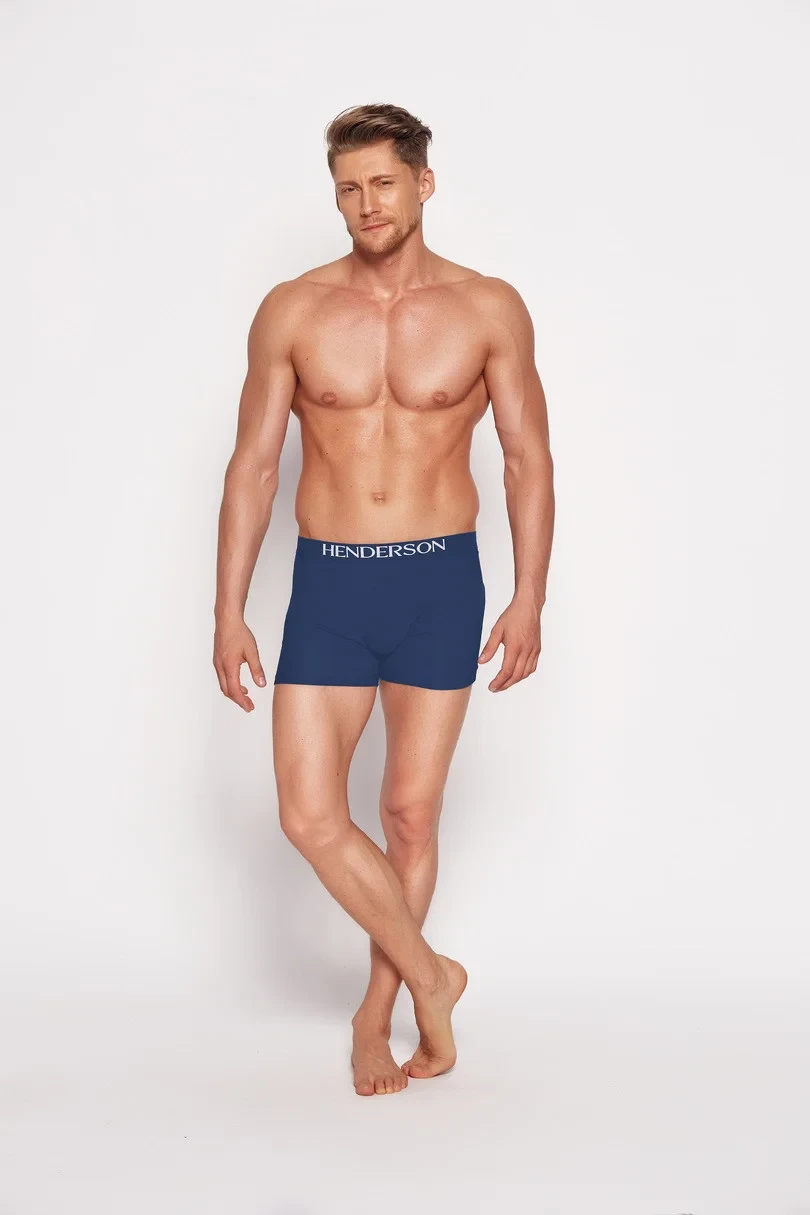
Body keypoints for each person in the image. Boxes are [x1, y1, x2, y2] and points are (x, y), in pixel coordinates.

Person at [212, 103, 555, 1096]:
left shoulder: (488, 307)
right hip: (329, 583)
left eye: (383, 184)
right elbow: (252, 468)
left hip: (440, 580)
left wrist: (530, 595)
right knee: (309, 814)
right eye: (349, 188)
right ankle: (433, 974)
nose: (366, 204)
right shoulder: (293, 310)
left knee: (408, 814)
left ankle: (379, 1013)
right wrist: (227, 608)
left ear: (423, 184)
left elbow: (528, 460)